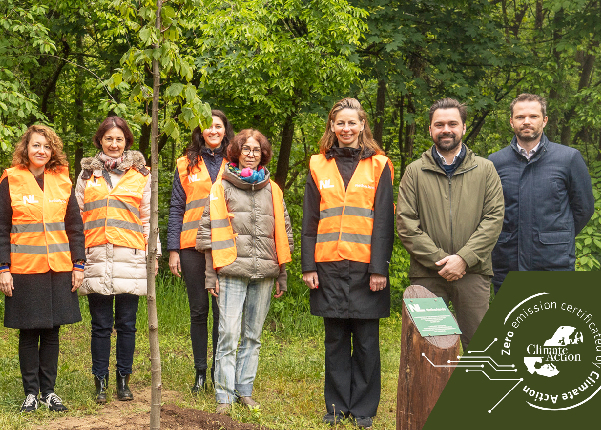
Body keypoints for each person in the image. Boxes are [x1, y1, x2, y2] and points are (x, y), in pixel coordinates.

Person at [301, 98, 394, 429]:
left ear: (362, 125)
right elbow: (310, 220)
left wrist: (380, 269)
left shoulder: (380, 165)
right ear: (332, 127)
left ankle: (365, 409)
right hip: (327, 267)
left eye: (352, 123)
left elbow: (384, 222)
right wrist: (308, 265)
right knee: (336, 340)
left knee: (367, 342)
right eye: (340, 123)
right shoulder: (317, 164)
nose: (346, 129)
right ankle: (337, 407)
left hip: (366, 269)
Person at [196, 129, 292, 415]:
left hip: (264, 272)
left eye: (256, 150)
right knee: (228, 334)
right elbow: (207, 232)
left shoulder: (273, 189)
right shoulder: (221, 187)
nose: (251, 154)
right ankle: (223, 395)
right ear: (236, 152)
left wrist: (282, 273)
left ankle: (244, 391)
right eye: (246, 149)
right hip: (230, 271)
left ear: (263, 154)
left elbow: (283, 233)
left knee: (253, 336)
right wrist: (210, 274)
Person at [397, 98, 504, 351]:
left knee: (480, 347)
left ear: (464, 127)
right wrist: (442, 260)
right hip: (427, 274)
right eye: (439, 124)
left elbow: (494, 218)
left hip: (473, 273)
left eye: (453, 123)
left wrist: (463, 259)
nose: (446, 129)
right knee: (426, 348)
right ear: (430, 130)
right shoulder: (414, 172)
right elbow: (405, 222)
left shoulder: (485, 170)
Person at [0, 125, 85, 413]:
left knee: (53, 331)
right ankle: (31, 393)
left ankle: (49, 392)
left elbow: (75, 228)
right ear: (26, 149)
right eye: (35, 145)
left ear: (52, 150)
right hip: (24, 268)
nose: (41, 151)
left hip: (58, 267)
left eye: (46, 146)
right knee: (29, 332)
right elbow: (0, 229)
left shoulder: (62, 180)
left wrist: (79, 264)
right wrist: (2, 268)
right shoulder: (11, 180)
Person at [75, 116, 153, 404]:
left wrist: (151, 257)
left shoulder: (142, 175)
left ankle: (123, 381)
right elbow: (77, 218)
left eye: (119, 139)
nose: (114, 143)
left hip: (130, 257)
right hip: (95, 255)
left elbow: (147, 220)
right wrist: (78, 259)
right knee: (100, 325)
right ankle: (100, 382)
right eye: (109, 138)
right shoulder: (85, 176)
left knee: (128, 324)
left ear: (127, 142)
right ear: (100, 141)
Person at [487, 93, 594, 293]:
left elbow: (584, 209)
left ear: (544, 120)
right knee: (513, 323)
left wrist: (556, 237)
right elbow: (489, 211)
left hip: (554, 264)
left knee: (553, 324)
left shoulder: (568, 158)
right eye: (520, 117)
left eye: (533, 116)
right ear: (511, 122)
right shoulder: (495, 162)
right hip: (508, 264)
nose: (526, 121)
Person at [167, 109, 231, 394]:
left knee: (222, 311)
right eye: (208, 127)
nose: (213, 131)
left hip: (226, 245)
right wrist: (173, 250)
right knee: (198, 311)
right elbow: (176, 208)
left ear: (225, 130)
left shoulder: (238, 160)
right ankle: (200, 373)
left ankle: (220, 371)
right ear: (200, 132)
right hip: (191, 244)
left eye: (218, 126)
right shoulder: (185, 163)